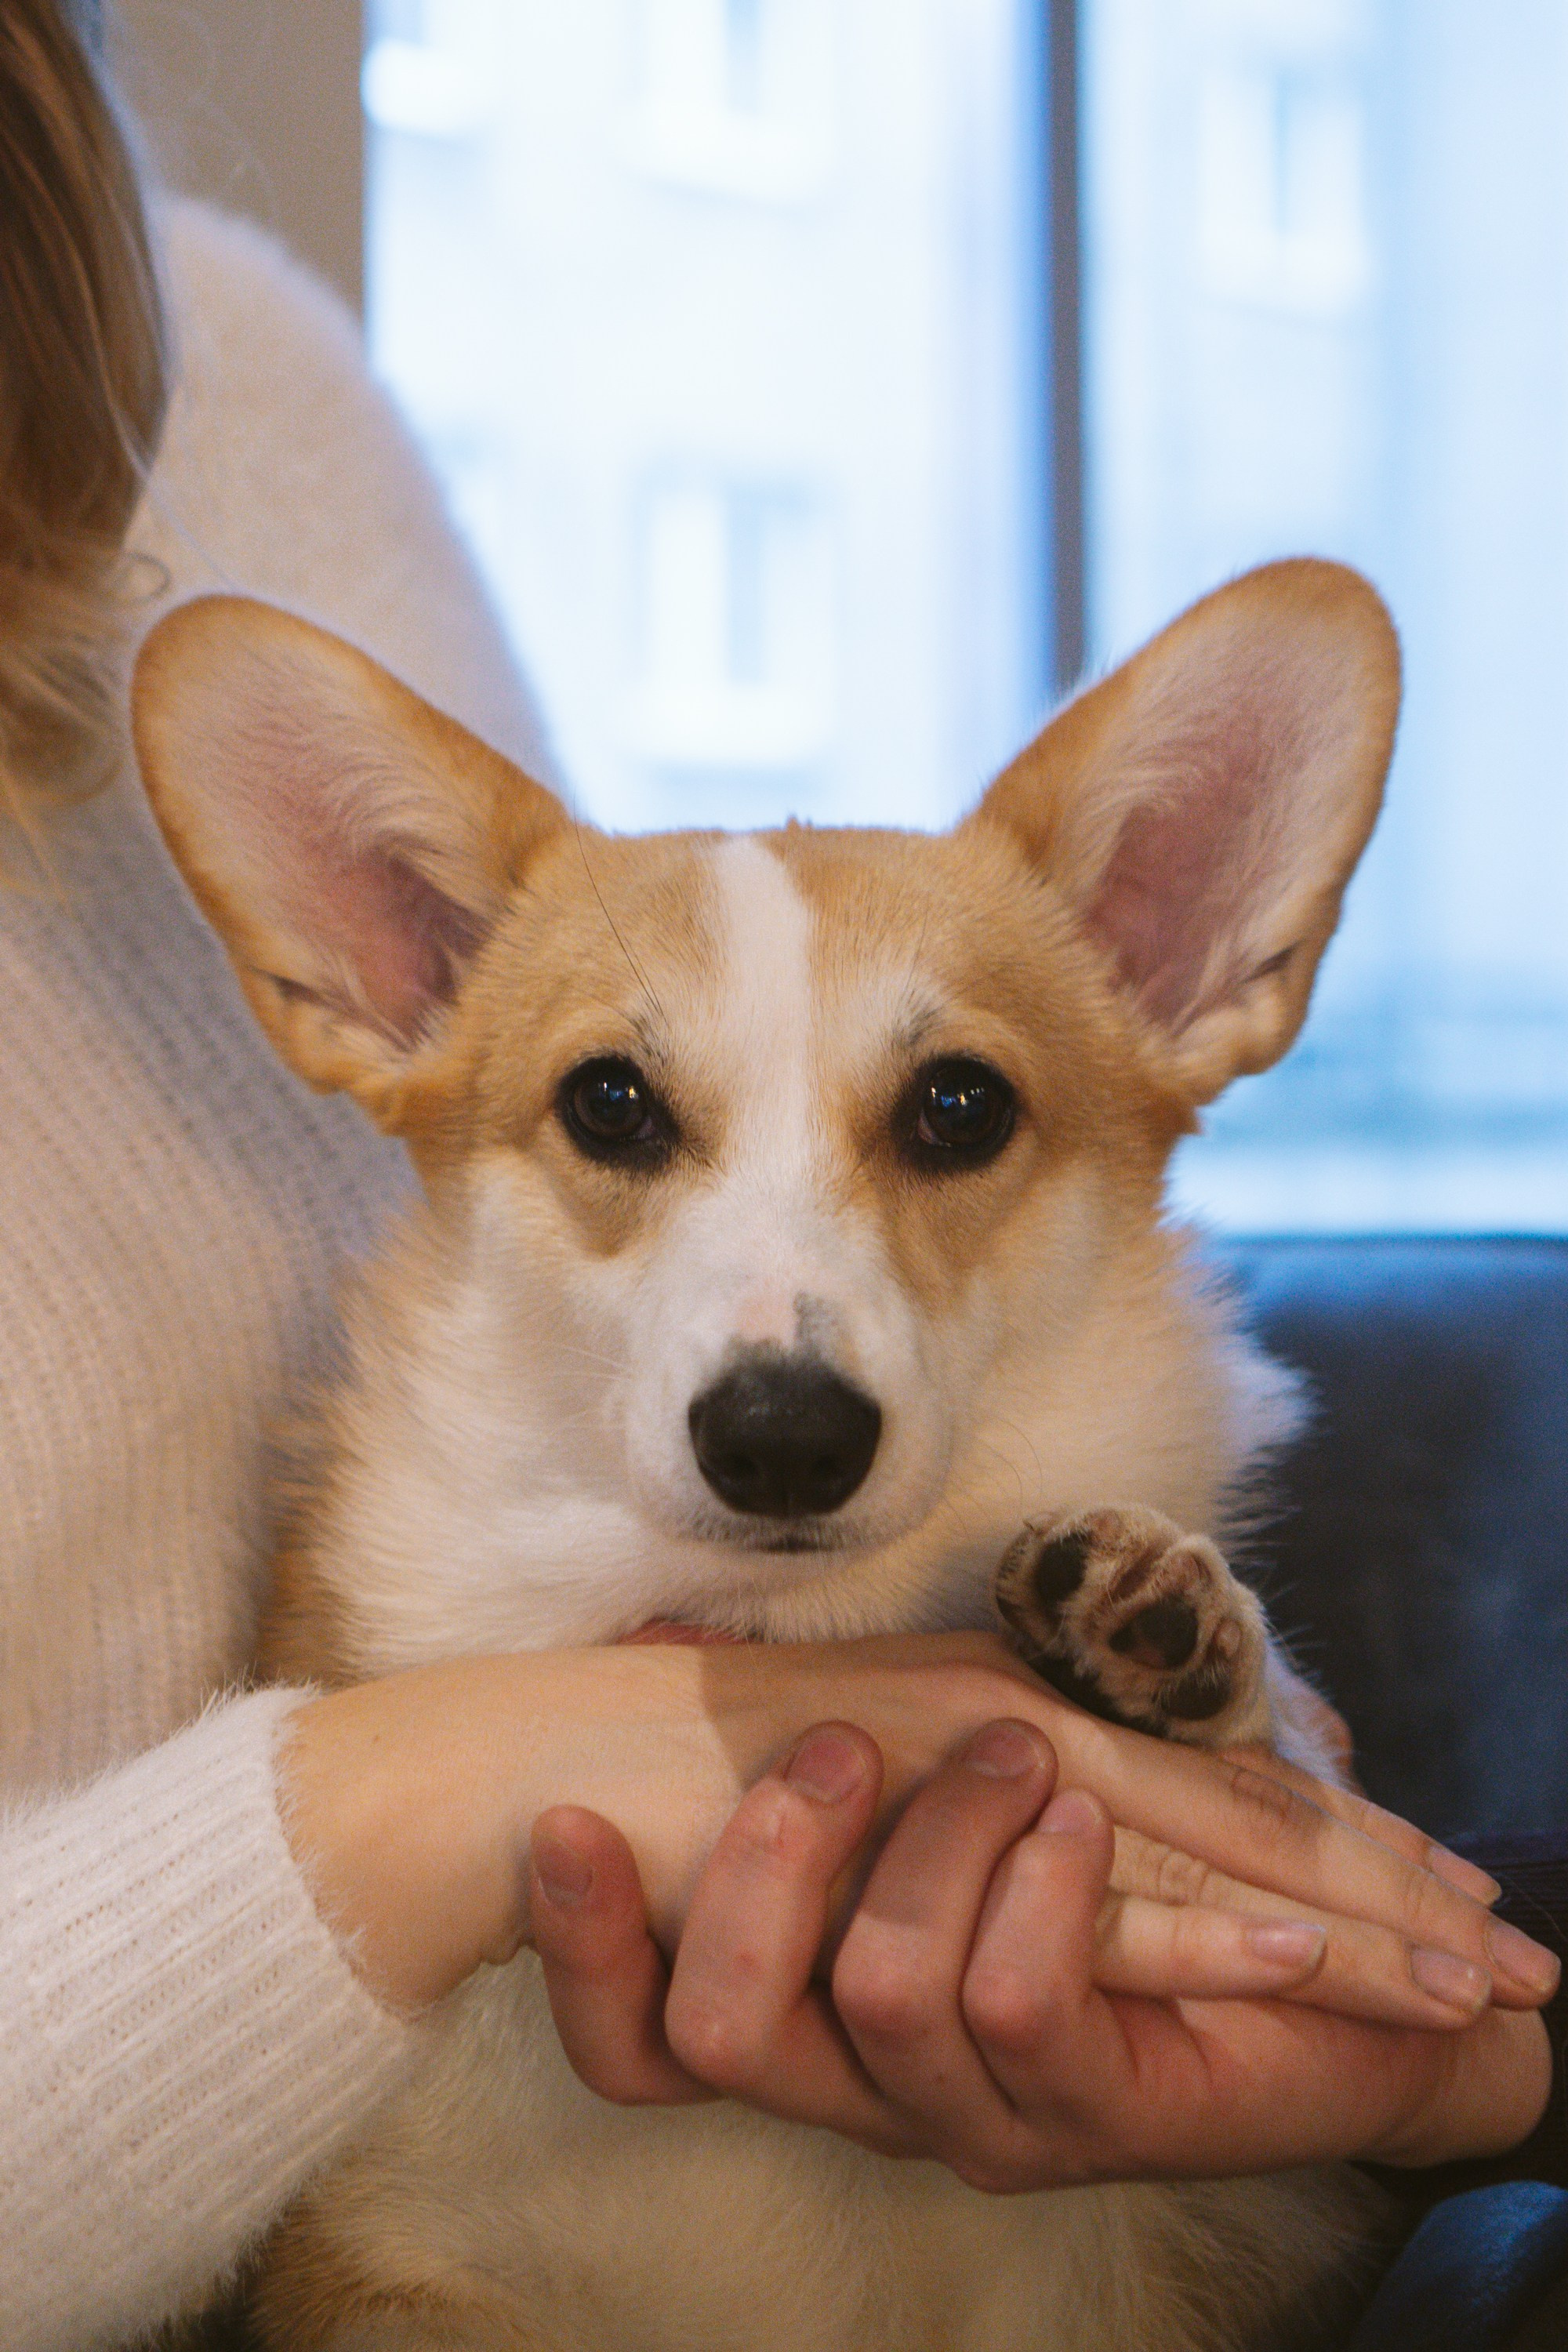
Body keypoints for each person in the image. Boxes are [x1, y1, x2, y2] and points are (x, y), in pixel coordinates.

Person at [0, 6, 1559, 2348]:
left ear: (1187, 968)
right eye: (623, 1113)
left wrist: (1325, 1884)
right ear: (374, 982)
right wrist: (442, 1794)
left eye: (949, 1116)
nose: (785, 1313)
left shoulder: (249, 379)